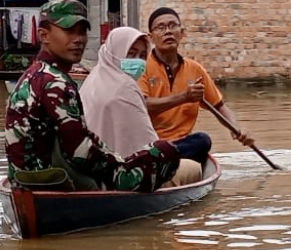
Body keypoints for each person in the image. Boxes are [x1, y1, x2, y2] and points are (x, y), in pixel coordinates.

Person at [5, 0, 183, 192]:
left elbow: (80, 137)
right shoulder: (56, 82)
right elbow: (80, 151)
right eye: (69, 31)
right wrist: (122, 169)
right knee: (167, 151)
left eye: (82, 32)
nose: (79, 39)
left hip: (24, 180)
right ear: (44, 35)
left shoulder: (31, 74)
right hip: (58, 181)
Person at [80, 26, 207, 186]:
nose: (137, 61)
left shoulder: (93, 78)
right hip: (123, 173)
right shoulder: (125, 87)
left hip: (96, 165)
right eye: (131, 54)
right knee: (196, 159)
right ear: (114, 52)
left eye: (141, 56)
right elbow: (151, 149)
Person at [140, 7, 255, 147]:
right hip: (150, 144)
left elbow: (219, 106)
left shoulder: (195, 70)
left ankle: (171, 157)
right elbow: (141, 105)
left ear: (181, 32)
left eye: (172, 26)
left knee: (202, 140)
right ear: (151, 37)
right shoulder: (142, 67)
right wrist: (184, 97)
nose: (168, 32)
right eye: (161, 27)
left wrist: (237, 129)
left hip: (181, 144)